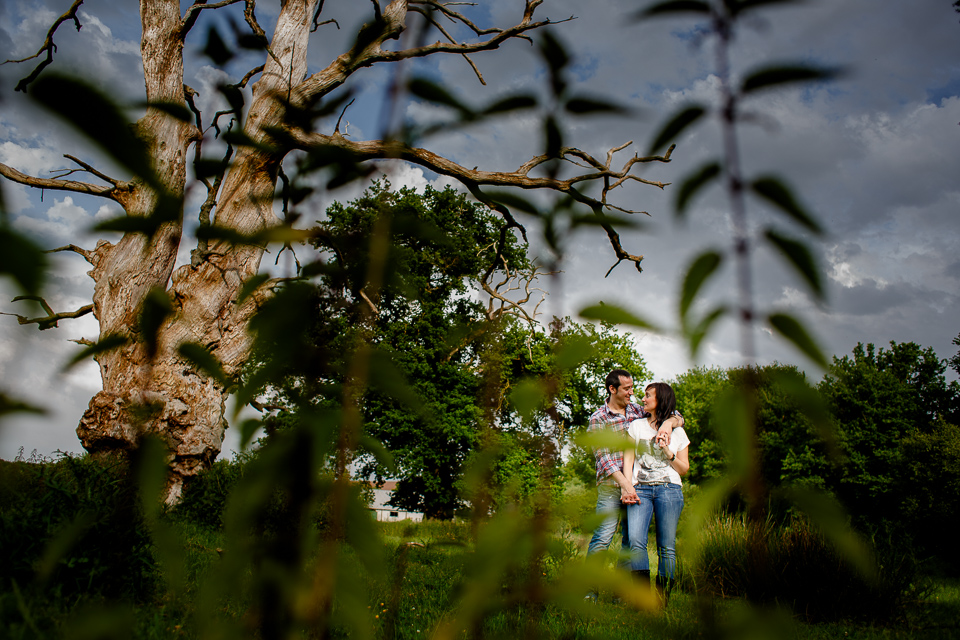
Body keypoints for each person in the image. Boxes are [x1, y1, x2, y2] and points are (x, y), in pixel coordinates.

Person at [584, 369, 681, 600]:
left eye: (633, 387)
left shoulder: (637, 410)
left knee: (630, 539)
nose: (632, 392)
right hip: (611, 486)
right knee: (603, 536)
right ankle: (590, 591)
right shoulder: (599, 418)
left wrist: (668, 424)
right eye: (627, 388)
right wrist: (625, 485)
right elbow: (603, 457)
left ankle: (619, 592)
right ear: (612, 389)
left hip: (637, 487)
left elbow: (674, 413)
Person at [621, 381, 690, 604]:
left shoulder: (678, 431)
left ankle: (662, 602)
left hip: (669, 489)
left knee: (666, 546)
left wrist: (667, 451)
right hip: (639, 489)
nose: (643, 399)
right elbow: (629, 458)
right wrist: (627, 485)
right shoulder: (636, 426)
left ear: (660, 399)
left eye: (648, 395)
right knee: (635, 542)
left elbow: (684, 469)